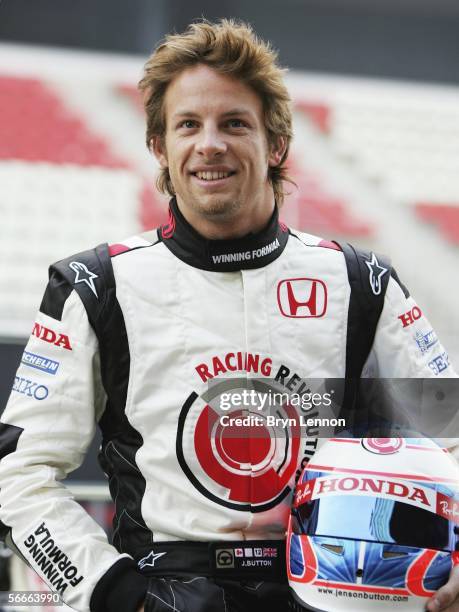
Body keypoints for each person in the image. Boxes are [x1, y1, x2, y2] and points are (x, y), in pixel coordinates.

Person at [0, 18, 457, 612]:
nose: (209, 144)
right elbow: (18, 471)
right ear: (160, 147)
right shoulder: (95, 286)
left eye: (235, 124)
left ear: (278, 145)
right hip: (160, 588)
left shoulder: (361, 283)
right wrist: (115, 594)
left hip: (342, 590)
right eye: (188, 125)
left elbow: (451, 440)